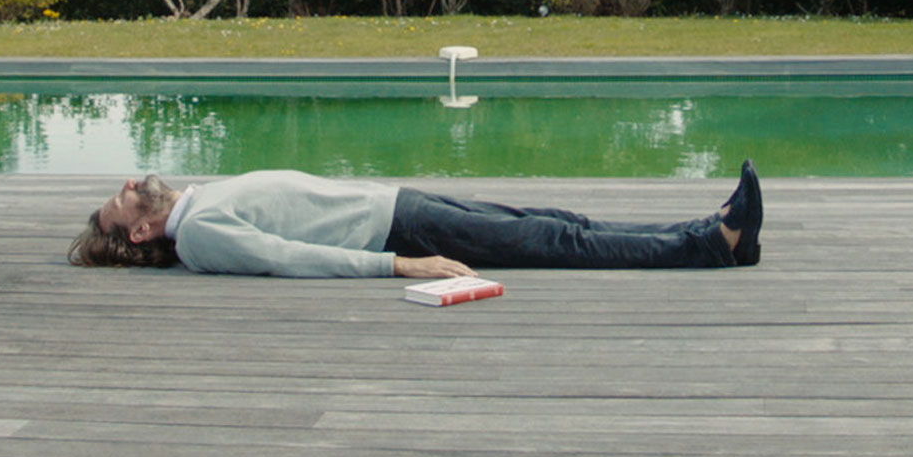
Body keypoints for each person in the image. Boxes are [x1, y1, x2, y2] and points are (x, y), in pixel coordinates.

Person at [67, 160, 763, 278]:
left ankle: (713, 232)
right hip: (398, 232)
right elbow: (291, 258)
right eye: (123, 198)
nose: (130, 185)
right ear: (139, 231)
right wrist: (399, 264)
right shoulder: (202, 234)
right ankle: (712, 243)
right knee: (553, 240)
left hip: (397, 205)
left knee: (555, 219)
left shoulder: (196, 203)